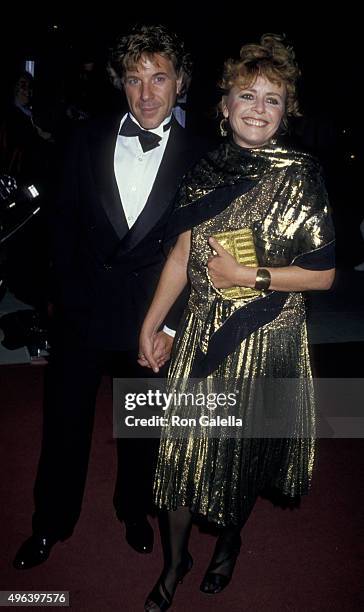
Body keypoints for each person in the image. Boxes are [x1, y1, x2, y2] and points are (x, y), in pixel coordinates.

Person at [139, 33, 335, 610]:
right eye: (246, 95)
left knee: (243, 455)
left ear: (286, 110)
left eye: (272, 99)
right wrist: (151, 323)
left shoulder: (302, 174)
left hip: (269, 337)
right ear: (223, 106)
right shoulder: (205, 169)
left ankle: (229, 545)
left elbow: (322, 275)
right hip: (201, 334)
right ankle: (174, 566)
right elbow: (180, 255)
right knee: (178, 455)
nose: (257, 107)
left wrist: (248, 278)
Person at [13, 23, 206, 569]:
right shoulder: (86, 138)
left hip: (151, 317)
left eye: (159, 78)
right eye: (135, 79)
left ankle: (134, 511)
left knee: (142, 430)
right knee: (64, 425)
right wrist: (62, 302)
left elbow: (201, 258)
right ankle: (50, 524)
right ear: (121, 84)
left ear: (180, 82)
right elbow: (62, 227)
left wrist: (169, 327)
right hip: (82, 312)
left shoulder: (203, 156)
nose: (146, 94)